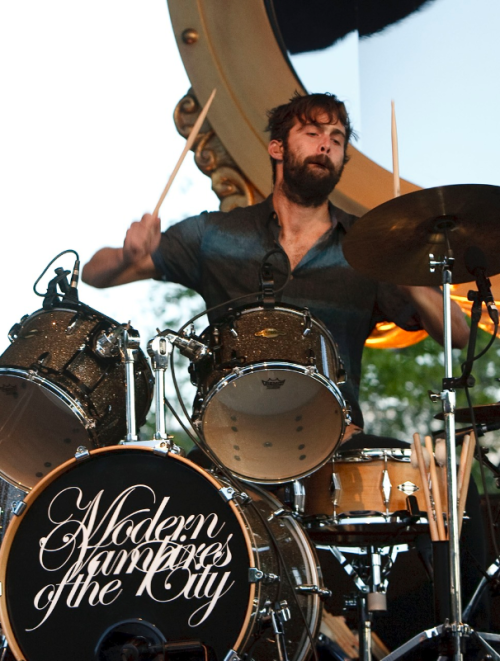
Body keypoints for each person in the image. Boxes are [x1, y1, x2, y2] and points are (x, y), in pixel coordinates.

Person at [82, 92, 469, 434]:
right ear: (277, 148)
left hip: (334, 438)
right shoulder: (214, 234)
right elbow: (95, 274)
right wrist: (126, 255)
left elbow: (459, 335)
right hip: (231, 436)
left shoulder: (368, 249)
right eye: (313, 133)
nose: (326, 145)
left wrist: (410, 278)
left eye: (336, 139)